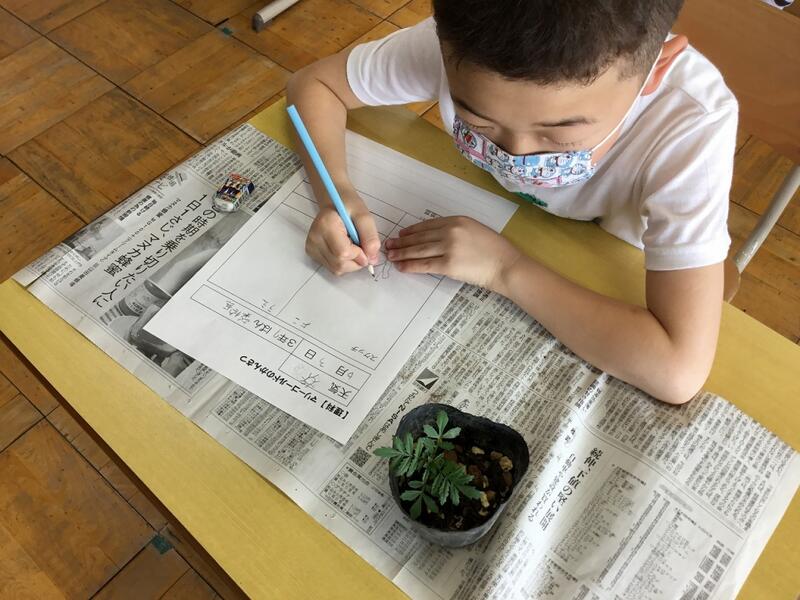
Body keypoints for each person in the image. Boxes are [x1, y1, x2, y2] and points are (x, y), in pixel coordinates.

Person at [286, 0, 738, 405]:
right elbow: (313, 84)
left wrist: (504, 269)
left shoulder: (691, 123)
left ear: (656, 71)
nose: (518, 154)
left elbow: (677, 370)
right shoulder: (467, 43)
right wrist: (335, 192)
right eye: (480, 123)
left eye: (560, 136)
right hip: (511, 218)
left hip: (614, 263)